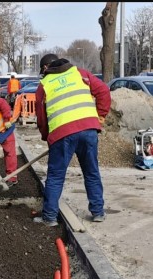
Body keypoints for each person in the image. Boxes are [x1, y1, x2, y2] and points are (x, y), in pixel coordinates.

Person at [33, 53, 111, 227]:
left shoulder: (44, 85)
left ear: (45, 68)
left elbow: (42, 119)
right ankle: (98, 212)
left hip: (62, 134)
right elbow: (104, 91)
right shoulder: (80, 73)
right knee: (91, 172)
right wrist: (100, 116)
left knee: (55, 176)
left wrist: (47, 137)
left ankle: (49, 217)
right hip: (89, 130)